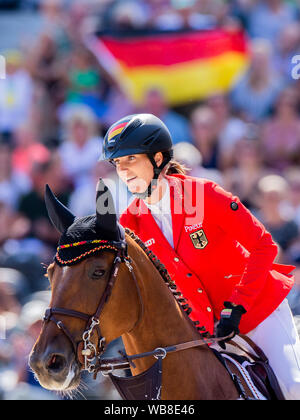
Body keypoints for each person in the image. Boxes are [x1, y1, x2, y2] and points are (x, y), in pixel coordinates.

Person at [100, 113, 300, 400]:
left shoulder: (203, 194)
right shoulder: (131, 222)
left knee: (294, 388)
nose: (123, 170)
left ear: (158, 158)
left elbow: (264, 247)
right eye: (117, 163)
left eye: (130, 159)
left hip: (258, 312)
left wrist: (237, 307)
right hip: (207, 332)